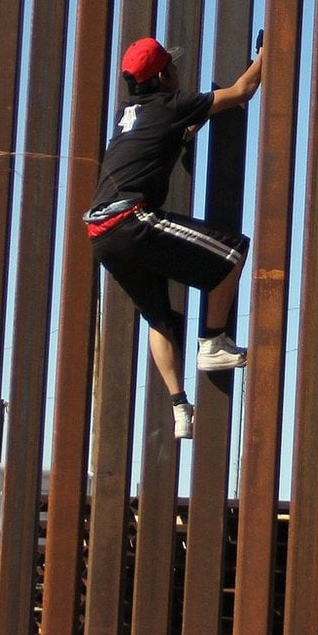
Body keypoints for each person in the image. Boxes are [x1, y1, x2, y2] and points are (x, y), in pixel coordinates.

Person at [84, 35, 264, 438]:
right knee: (232, 253)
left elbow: (165, 137)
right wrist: (265, 58)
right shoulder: (169, 105)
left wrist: (191, 124)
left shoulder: (126, 115)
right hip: (130, 221)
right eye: (174, 66)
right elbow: (242, 92)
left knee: (159, 317)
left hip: (100, 233)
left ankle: (180, 407)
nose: (179, 72)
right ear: (164, 75)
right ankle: (213, 343)